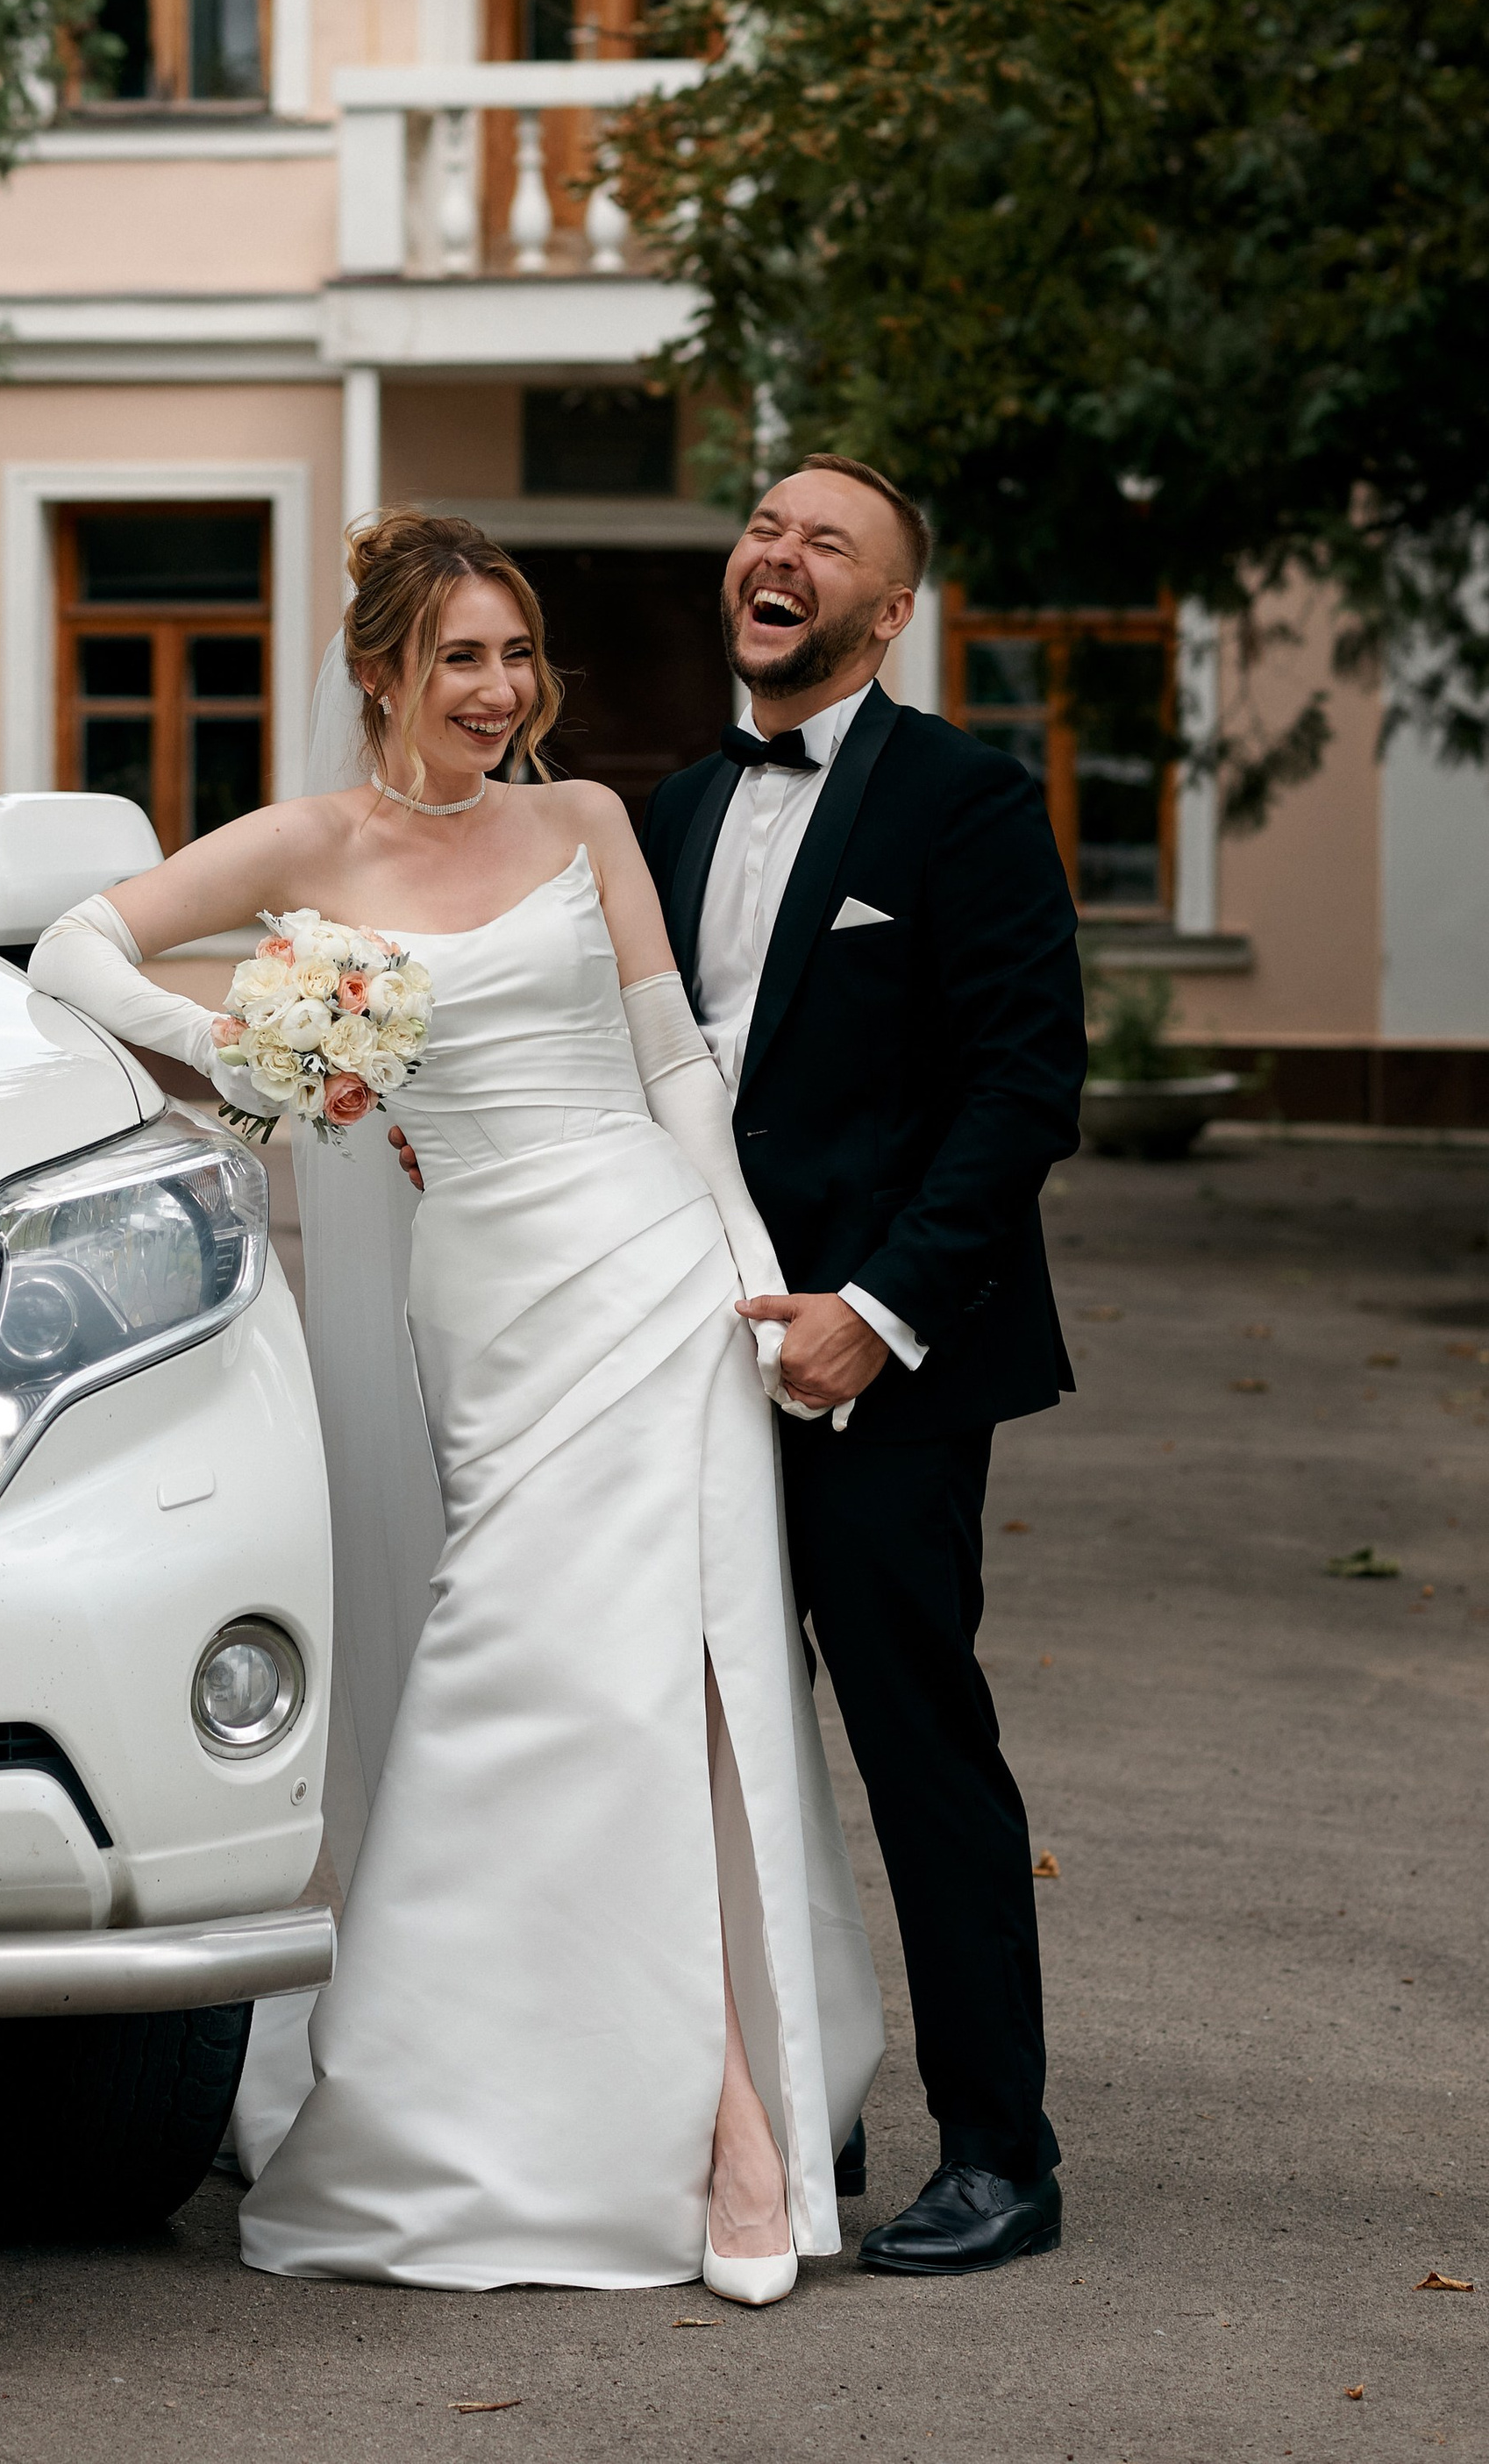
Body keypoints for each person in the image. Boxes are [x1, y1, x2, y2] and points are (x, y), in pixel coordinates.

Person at [26, 509, 881, 2297]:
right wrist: (254, 1048)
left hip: (648, 1272)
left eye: (514, 653)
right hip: (480, 1300)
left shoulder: (585, 820)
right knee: (520, 1678)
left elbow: (673, 1067)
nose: (497, 691)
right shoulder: (309, 843)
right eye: (461, 659)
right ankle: (471, 2105)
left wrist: (739, 1266)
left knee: (690, 1687)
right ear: (383, 673)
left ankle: (735, 2118)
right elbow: (73, 951)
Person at [643, 455, 1086, 2276]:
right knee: (710, 1753)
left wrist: (874, 1310)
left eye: (826, 542)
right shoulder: (663, 811)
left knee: (916, 1749)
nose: (780, 552)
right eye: (764, 524)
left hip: (890, 1363)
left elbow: (1017, 1086)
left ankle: (999, 2147)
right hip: (680, 1355)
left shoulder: (965, 802)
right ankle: (778, 2111)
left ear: (886, 612)